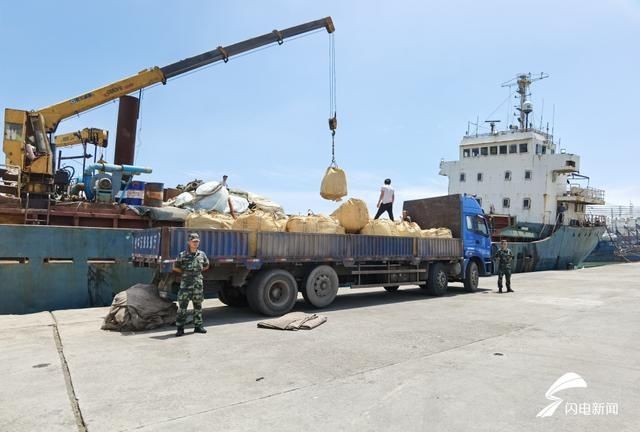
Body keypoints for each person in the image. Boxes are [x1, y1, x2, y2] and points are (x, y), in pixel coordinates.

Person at [173, 232, 210, 336]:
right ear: (189, 242)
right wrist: (186, 273)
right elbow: (175, 267)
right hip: (186, 284)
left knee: (198, 305)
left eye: (197, 242)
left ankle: (198, 326)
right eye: (193, 242)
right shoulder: (182, 255)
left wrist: (196, 273)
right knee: (182, 307)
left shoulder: (202, 254)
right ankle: (180, 328)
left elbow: (206, 265)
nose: (195, 243)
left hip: (198, 283)